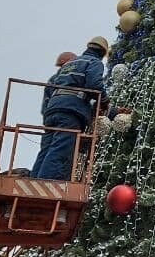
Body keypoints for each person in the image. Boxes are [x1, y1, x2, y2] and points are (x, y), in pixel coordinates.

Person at [29, 37, 110, 180]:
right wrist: (104, 102)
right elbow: (94, 85)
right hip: (71, 111)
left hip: (52, 111)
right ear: (103, 53)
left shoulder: (70, 64)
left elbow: (51, 89)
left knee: (46, 148)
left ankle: (34, 180)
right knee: (61, 149)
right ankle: (46, 183)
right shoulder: (94, 62)